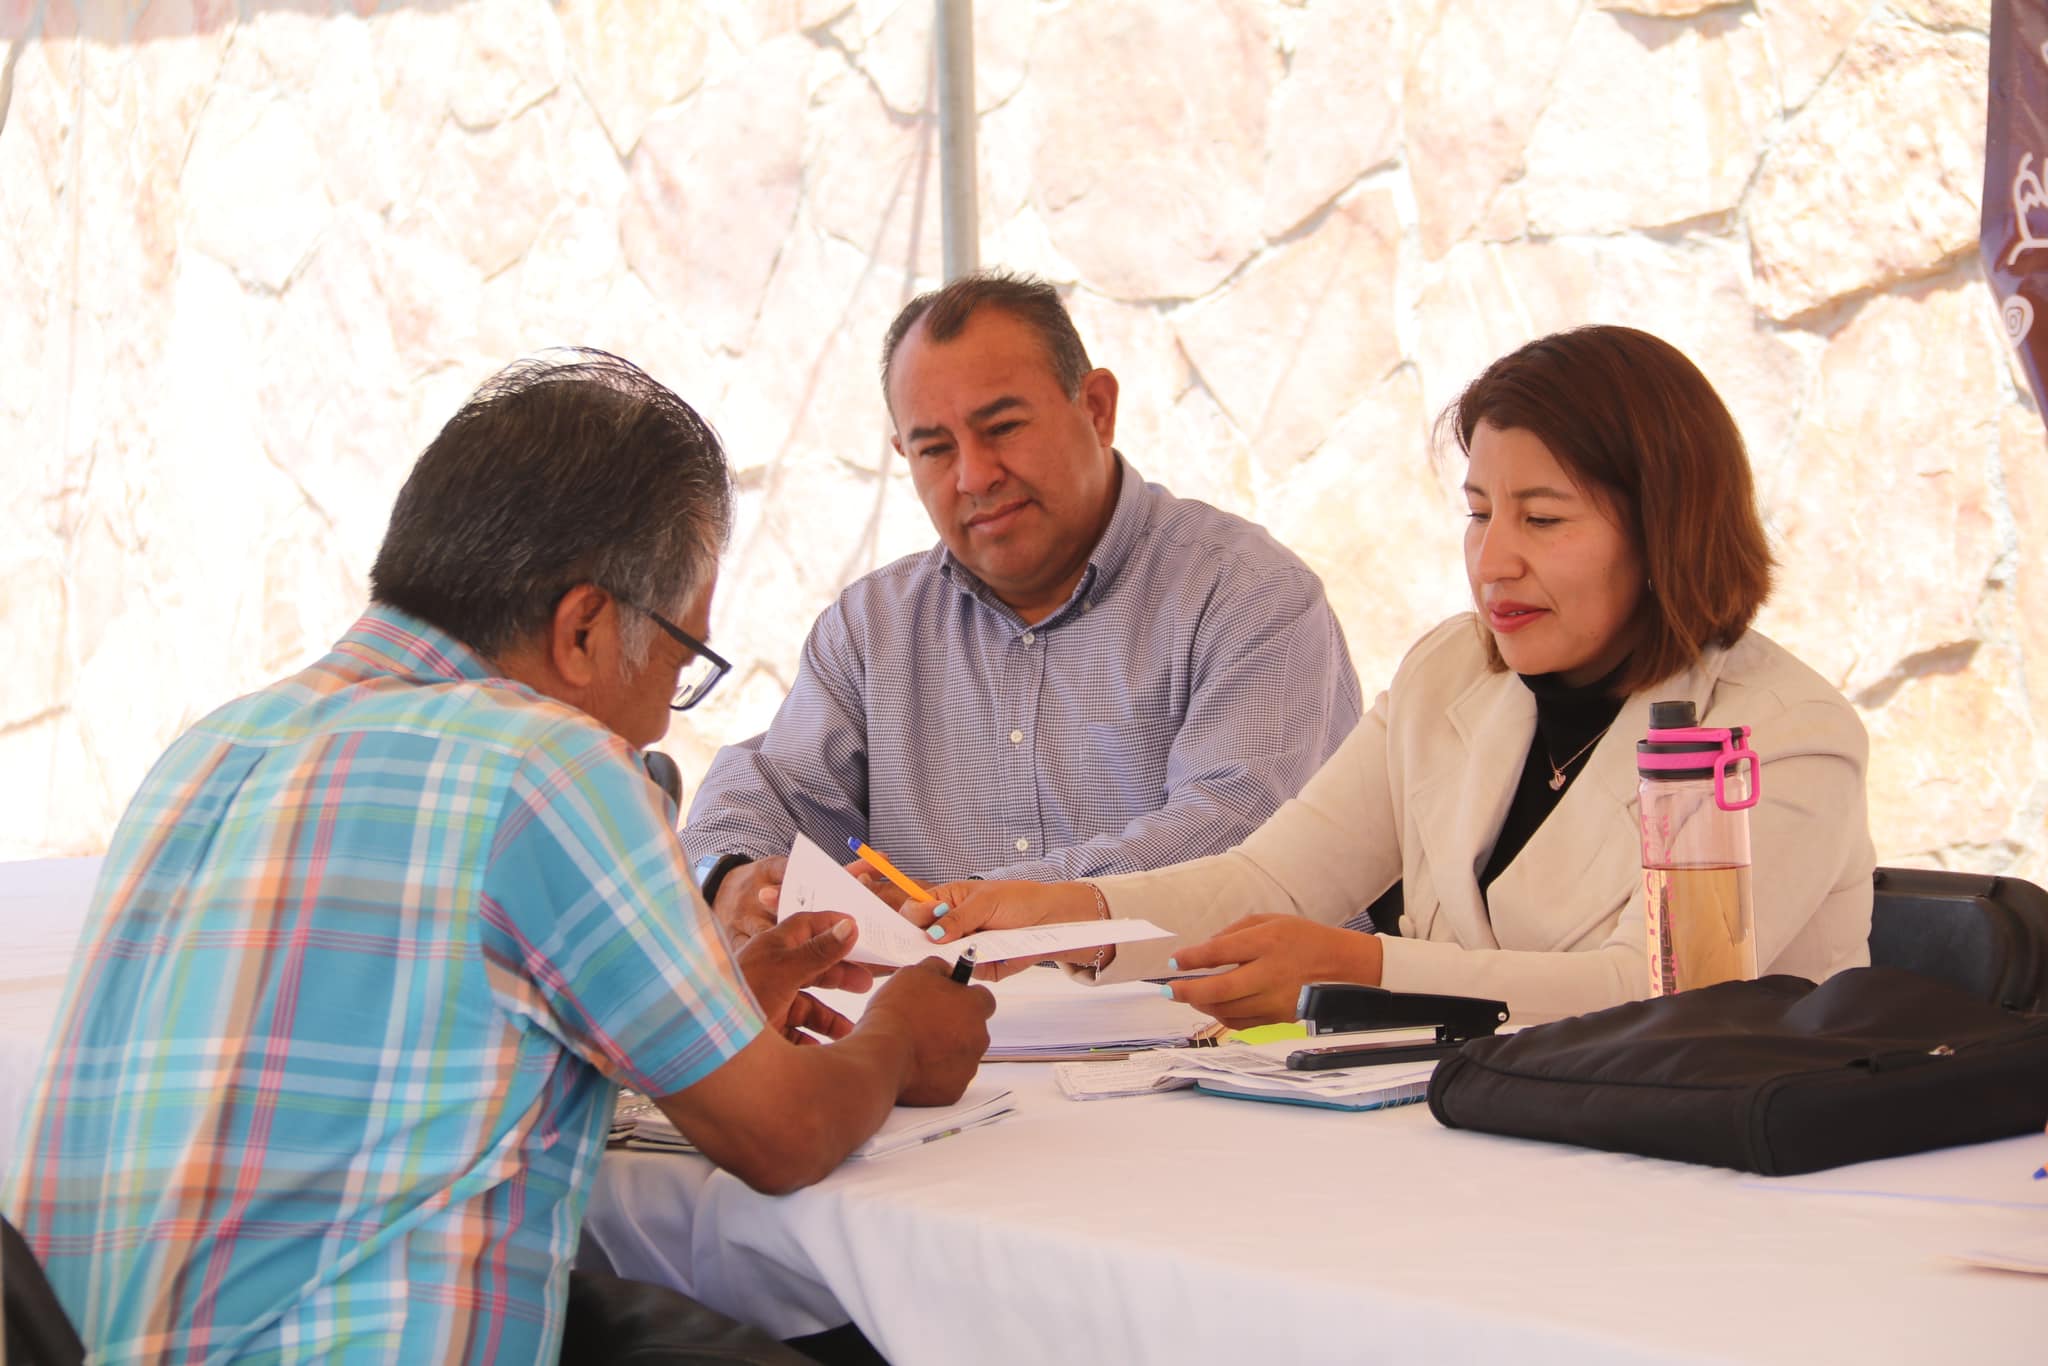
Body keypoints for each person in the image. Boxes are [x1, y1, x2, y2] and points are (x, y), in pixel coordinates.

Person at [3, 353, 994, 1364]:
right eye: (679, 661)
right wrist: (899, 1035)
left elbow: (396, 1065)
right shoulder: (544, 765)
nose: (661, 710)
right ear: (582, 628)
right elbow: (783, 1136)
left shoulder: (214, 745)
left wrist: (714, 1000)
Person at [920, 325, 1875, 1026]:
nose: (1493, 560)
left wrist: (1366, 968)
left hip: (1716, 1183)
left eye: (1542, 519)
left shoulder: (1782, 730)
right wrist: (1071, 916)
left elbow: (1660, 993)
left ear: (1667, 527)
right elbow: (1274, 879)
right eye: (1477, 513)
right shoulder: (1450, 674)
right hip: (1472, 1140)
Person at [686, 270, 1363, 939]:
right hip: (953, 1039)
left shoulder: (1248, 596)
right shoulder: (872, 630)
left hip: (1227, 1035)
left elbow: (1237, 840)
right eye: (935, 448)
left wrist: (1009, 906)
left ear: (1097, 408)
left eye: (1003, 427)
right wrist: (735, 877)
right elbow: (771, 790)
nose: (975, 475)